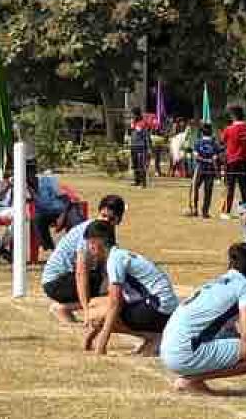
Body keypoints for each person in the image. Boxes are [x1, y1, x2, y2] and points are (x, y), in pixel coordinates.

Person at [158, 241, 246, 396]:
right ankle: (192, 380)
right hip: (185, 353)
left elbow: (230, 332)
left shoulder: (216, 283)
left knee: (245, 343)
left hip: (167, 350)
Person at [80, 220, 179, 356]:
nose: (89, 249)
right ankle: (154, 335)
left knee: (98, 313)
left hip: (159, 308)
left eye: (90, 243)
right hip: (162, 306)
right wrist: (89, 339)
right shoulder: (119, 255)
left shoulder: (114, 260)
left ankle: (153, 337)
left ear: (98, 242)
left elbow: (115, 303)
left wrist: (101, 343)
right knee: (94, 304)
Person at [42, 193, 126, 323]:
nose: (106, 220)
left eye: (111, 219)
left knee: (114, 283)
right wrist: (87, 310)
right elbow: (81, 273)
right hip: (56, 282)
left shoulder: (106, 232)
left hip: (66, 277)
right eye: (103, 216)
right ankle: (64, 308)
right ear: (98, 212)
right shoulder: (90, 232)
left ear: (118, 220)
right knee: (109, 287)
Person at [220, 106, 246, 213]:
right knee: (244, 187)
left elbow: (222, 140)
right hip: (243, 160)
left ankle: (226, 211)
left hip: (231, 161)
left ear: (233, 116)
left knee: (229, 186)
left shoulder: (229, 129)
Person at [188, 122, 223, 218]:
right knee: (208, 191)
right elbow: (216, 158)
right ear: (211, 132)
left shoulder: (198, 142)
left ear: (202, 132)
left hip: (199, 168)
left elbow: (196, 156)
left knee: (194, 188)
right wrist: (217, 173)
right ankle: (205, 211)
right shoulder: (214, 144)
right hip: (210, 169)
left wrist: (203, 160)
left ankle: (194, 209)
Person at [129, 108, 152, 187]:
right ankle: (137, 181)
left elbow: (147, 136)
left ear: (137, 115)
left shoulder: (143, 123)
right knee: (135, 164)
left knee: (141, 164)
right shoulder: (133, 123)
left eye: (133, 115)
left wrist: (149, 148)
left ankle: (143, 182)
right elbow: (131, 133)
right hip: (133, 146)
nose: (132, 116)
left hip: (141, 147)